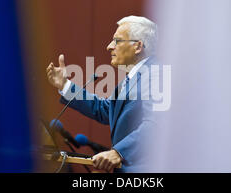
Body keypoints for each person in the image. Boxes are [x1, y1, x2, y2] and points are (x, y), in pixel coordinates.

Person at [46, 15, 158, 172]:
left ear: (138, 46)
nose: (109, 46)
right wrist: (65, 85)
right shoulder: (133, 78)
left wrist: (119, 153)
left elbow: (156, 125)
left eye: (117, 41)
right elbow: (106, 109)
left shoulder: (157, 74)